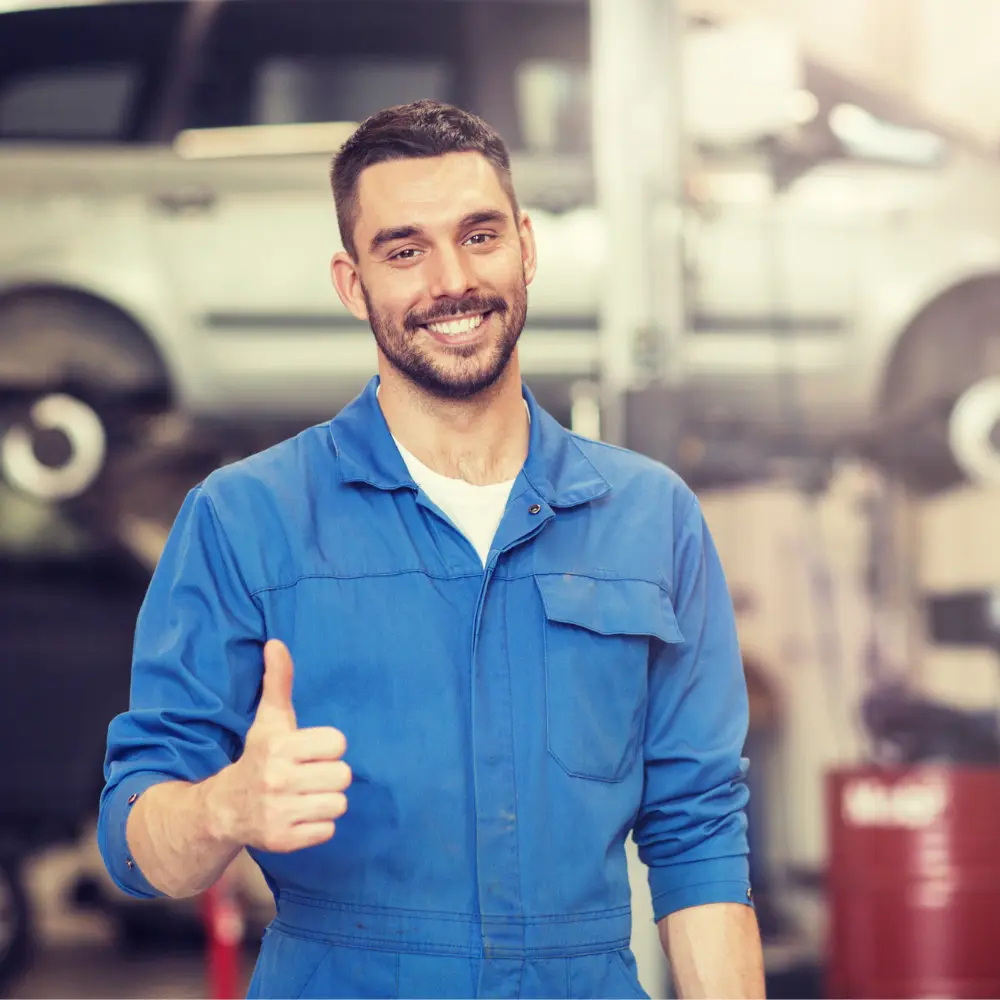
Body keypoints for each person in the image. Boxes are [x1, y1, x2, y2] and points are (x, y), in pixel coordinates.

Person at [99, 100, 765, 999]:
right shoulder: (244, 519)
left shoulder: (653, 518)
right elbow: (139, 841)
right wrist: (225, 807)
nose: (452, 280)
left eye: (479, 235)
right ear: (352, 282)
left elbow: (699, 836)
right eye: (404, 250)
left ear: (527, 246)